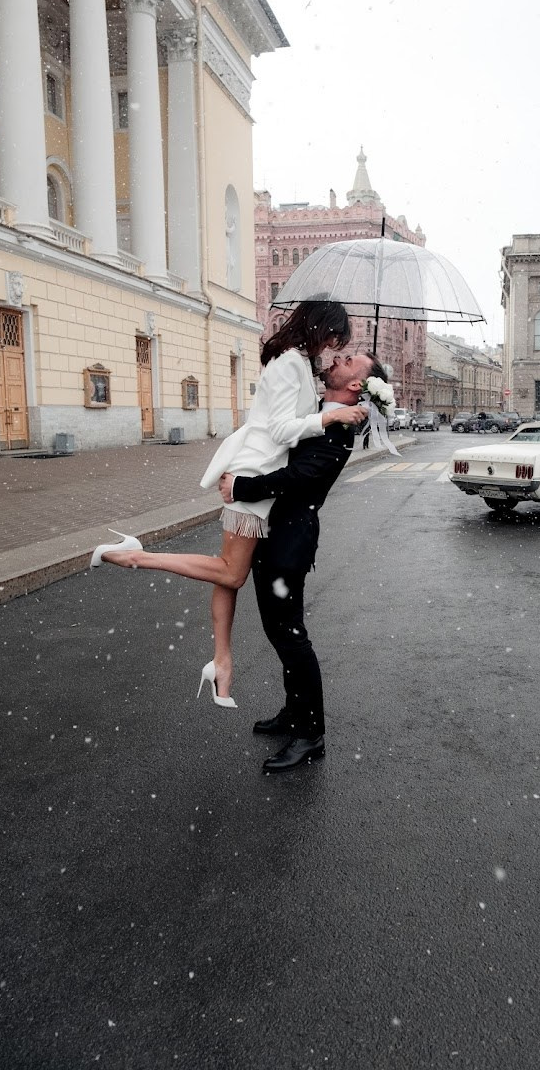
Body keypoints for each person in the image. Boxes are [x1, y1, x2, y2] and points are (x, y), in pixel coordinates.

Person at [89, 298, 368, 707]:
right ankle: (135, 556)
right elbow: (278, 428)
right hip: (253, 473)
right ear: (318, 327)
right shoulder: (291, 361)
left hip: (257, 473)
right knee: (230, 572)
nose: (331, 347)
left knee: (227, 573)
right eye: (332, 337)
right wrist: (330, 418)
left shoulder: (296, 361)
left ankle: (221, 663)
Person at [220, 350, 390, 772]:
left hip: (289, 542)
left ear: (356, 386)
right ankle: (293, 713)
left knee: (291, 636)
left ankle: (310, 735)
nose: (340, 358)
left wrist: (241, 485)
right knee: (279, 632)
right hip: (271, 533)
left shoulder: (341, 431)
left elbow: (295, 479)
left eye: (351, 359)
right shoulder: (318, 412)